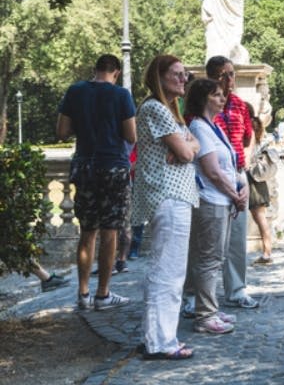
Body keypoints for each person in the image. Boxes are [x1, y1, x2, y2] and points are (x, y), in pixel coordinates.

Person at [56, 54, 136, 312]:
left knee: (87, 231)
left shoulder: (75, 91)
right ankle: (103, 295)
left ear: (95, 69)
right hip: (113, 164)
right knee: (110, 232)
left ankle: (82, 294)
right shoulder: (121, 95)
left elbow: (62, 131)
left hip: (85, 164)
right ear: (116, 72)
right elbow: (131, 135)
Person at [132, 55, 199, 360]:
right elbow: (187, 150)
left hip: (173, 195)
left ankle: (155, 336)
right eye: (177, 74)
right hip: (169, 196)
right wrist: (184, 148)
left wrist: (186, 147)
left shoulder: (169, 111)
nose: (183, 79)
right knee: (168, 271)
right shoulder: (156, 108)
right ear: (159, 77)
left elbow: (191, 146)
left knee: (166, 268)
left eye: (185, 74)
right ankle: (161, 341)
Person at [183, 79, 247, 335]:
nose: (223, 99)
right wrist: (234, 194)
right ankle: (205, 315)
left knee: (216, 257)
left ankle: (209, 307)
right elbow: (212, 171)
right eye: (217, 95)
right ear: (203, 99)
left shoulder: (213, 127)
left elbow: (228, 166)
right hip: (211, 201)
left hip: (221, 201)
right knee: (209, 259)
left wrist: (238, 192)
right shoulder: (199, 127)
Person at [205, 56, 259, 309]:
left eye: (231, 74)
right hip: (208, 175)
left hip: (236, 173)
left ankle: (236, 291)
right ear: (211, 77)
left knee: (237, 239)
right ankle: (196, 297)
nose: (230, 80)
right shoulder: (201, 105)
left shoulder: (239, 105)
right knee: (205, 242)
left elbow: (248, 140)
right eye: (223, 75)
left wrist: (241, 173)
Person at [246, 105, 275, 266]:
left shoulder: (249, 129)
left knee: (260, 218)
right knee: (261, 218)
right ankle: (267, 252)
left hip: (252, 179)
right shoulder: (257, 127)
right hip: (258, 179)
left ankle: (267, 253)